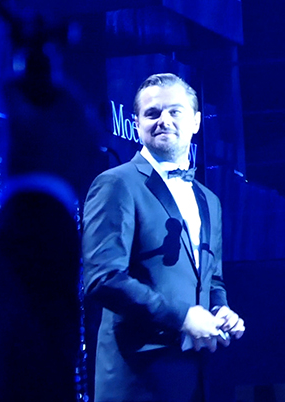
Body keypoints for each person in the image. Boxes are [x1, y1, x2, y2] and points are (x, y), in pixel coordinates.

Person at [82, 73, 245, 402]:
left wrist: (221, 310)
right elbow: (104, 278)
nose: (163, 121)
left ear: (196, 122)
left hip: (194, 377)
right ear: (137, 124)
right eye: (152, 113)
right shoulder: (117, 183)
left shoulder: (208, 200)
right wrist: (182, 317)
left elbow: (212, 279)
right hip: (137, 380)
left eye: (175, 111)